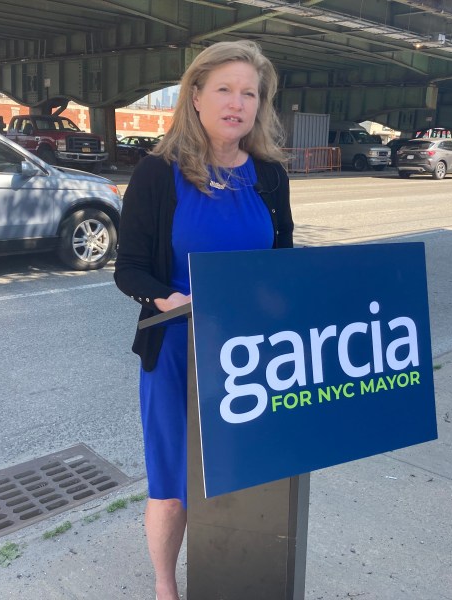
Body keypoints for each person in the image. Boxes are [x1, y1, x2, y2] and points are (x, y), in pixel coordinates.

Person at [113, 39, 294, 600]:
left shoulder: (269, 177)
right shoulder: (156, 175)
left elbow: (283, 262)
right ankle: (167, 588)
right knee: (172, 483)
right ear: (195, 96)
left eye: (249, 93)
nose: (237, 103)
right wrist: (166, 300)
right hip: (176, 351)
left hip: (253, 357)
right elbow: (130, 270)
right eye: (224, 90)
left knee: (240, 474)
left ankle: (236, 573)